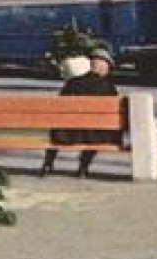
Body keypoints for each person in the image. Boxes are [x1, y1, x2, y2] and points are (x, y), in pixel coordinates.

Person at [41, 42, 122, 178]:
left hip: (66, 135)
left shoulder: (72, 83)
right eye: (108, 66)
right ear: (103, 66)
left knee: (57, 127)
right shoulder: (109, 87)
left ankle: (48, 163)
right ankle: (83, 168)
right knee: (100, 131)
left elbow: (59, 108)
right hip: (94, 137)